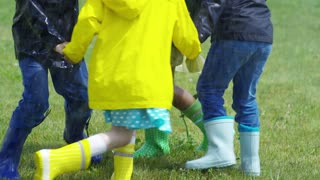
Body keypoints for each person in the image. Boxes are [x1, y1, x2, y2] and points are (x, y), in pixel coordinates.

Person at [33, 0, 201, 179]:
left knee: (125, 128)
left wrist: (74, 51)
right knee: (121, 134)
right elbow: (186, 34)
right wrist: (193, 51)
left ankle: (122, 176)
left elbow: (88, 20)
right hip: (145, 79)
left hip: (112, 75)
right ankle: (56, 159)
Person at [0, 1, 102, 179]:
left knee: (82, 96)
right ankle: (6, 159)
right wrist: (52, 40)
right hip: (32, 39)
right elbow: (29, 7)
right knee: (35, 102)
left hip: (66, 37)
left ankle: (75, 138)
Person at [185, 0, 273, 177]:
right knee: (246, 98)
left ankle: (220, 151)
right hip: (263, 33)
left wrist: (193, 38)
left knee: (209, 89)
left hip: (234, 31)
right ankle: (251, 165)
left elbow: (213, 3)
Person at [134, 0, 207, 159]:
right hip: (161, 26)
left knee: (158, 87)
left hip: (164, 29)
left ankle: (157, 144)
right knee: (161, 87)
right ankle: (214, 133)